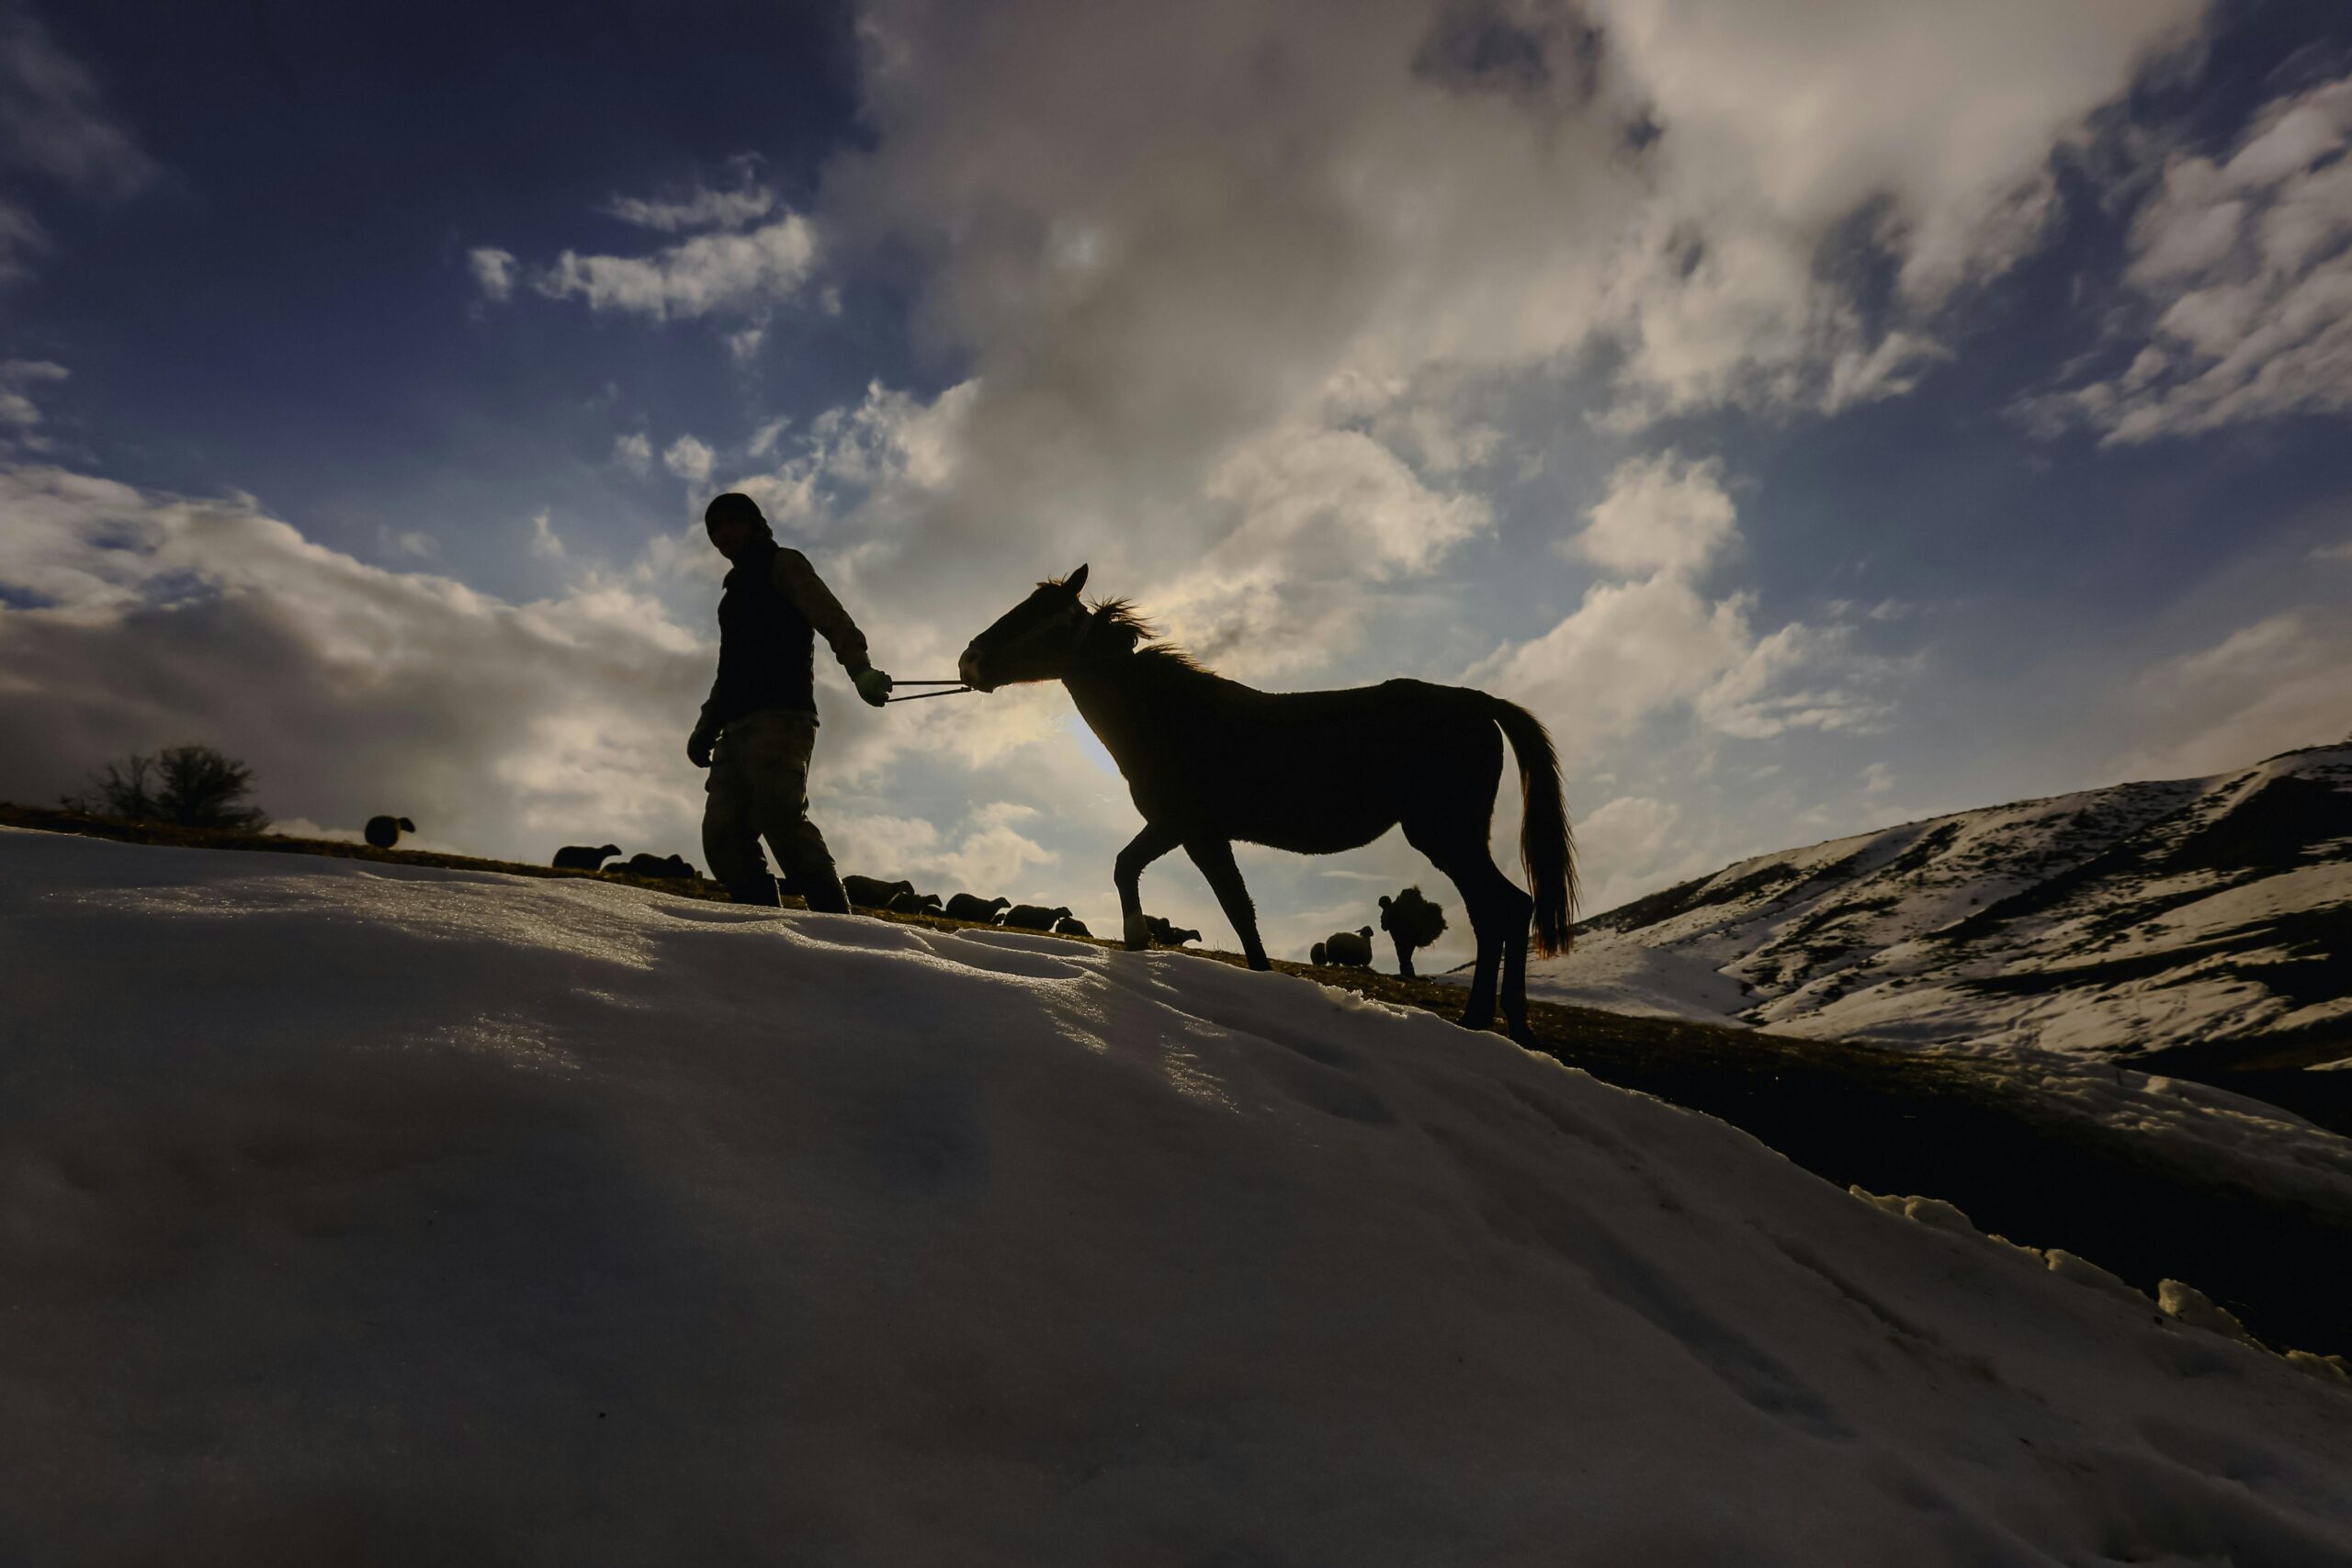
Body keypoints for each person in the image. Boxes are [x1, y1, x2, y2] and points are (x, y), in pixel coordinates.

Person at [689, 491, 891, 911]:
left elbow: (832, 618)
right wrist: (706, 727)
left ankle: (839, 929)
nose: (721, 535)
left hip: (782, 718)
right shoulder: (732, 595)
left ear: (754, 523)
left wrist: (861, 671)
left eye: (730, 523)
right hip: (735, 728)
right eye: (714, 530)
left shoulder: (783, 564)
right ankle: (765, 931)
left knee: (779, 817)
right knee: (722, 836)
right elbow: (729, 671)